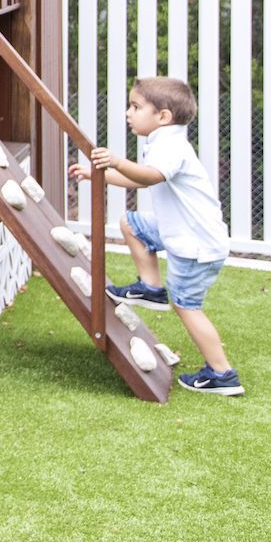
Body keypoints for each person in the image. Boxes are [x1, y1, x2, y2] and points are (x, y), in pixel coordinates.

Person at [71, 77, 242, 396]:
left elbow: (150, 176)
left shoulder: (171, 146)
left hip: (196, 245)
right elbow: (140, 180)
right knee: (132, 223)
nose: (128, 113)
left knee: (187, 305)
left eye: (136, 107)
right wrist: (98, 174)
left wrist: (117, 161)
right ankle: (150, 287)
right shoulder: (164, 142)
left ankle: (223, 374)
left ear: (163, 116)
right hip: (181, 231)